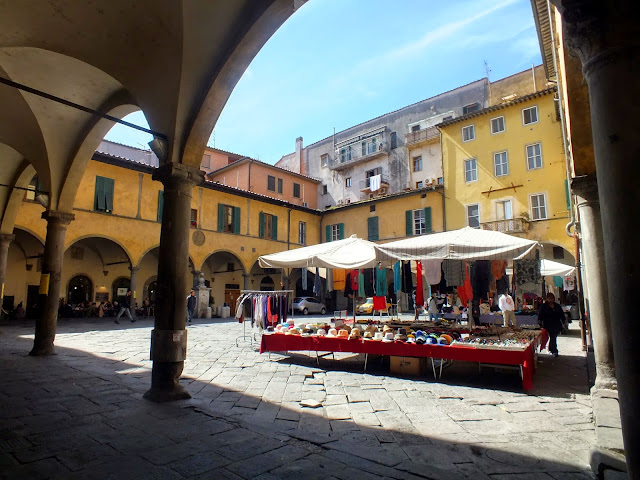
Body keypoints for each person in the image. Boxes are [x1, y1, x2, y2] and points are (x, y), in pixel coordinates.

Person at [538, 292, 565, 357]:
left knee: (553, 337)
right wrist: (540, 322)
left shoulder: (557, 306)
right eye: (549, 298)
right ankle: (554, 350)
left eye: (552, 298)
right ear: (547, 299)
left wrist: (564, 322)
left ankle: (552, 349)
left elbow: (561, 314)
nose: (551, 300)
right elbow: (540, 315)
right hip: (547, 324)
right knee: (552, 337)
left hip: (556, 324)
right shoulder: (544, 306)